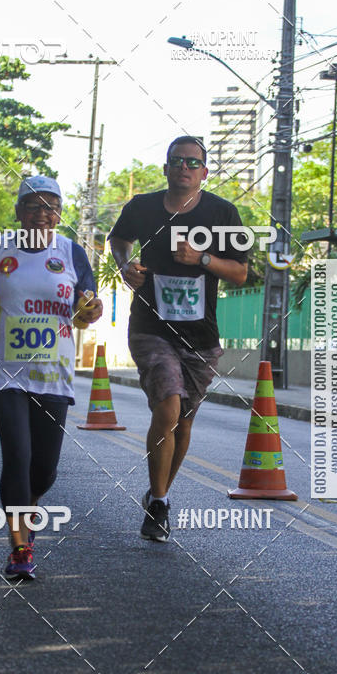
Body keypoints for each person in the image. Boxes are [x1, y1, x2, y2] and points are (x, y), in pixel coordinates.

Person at [0, 176, 102, 580]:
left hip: (54, 372)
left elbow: (88, 302)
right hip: (5, 370)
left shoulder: (71, 253)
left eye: (51, 207)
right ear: (18, 212)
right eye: (33, 206)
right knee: (17, 455)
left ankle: (26, 514)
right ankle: (19, 548)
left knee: (44, 471)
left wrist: (91, 309)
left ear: (59, 213)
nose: (42, 214)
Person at [109, 136, 248, 542]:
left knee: (184, 421)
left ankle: (157, 493)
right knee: (168, 408)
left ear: (204, 172)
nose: (184, 167)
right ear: (166, 168)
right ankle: (161, 505)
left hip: (200, 333)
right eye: (177, 161)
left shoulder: (222, 212)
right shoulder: (141, 207)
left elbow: (240, 272)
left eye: (193, 162)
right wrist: (124, 265)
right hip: (151, 326)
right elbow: (118, 240)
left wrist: (202, 258)